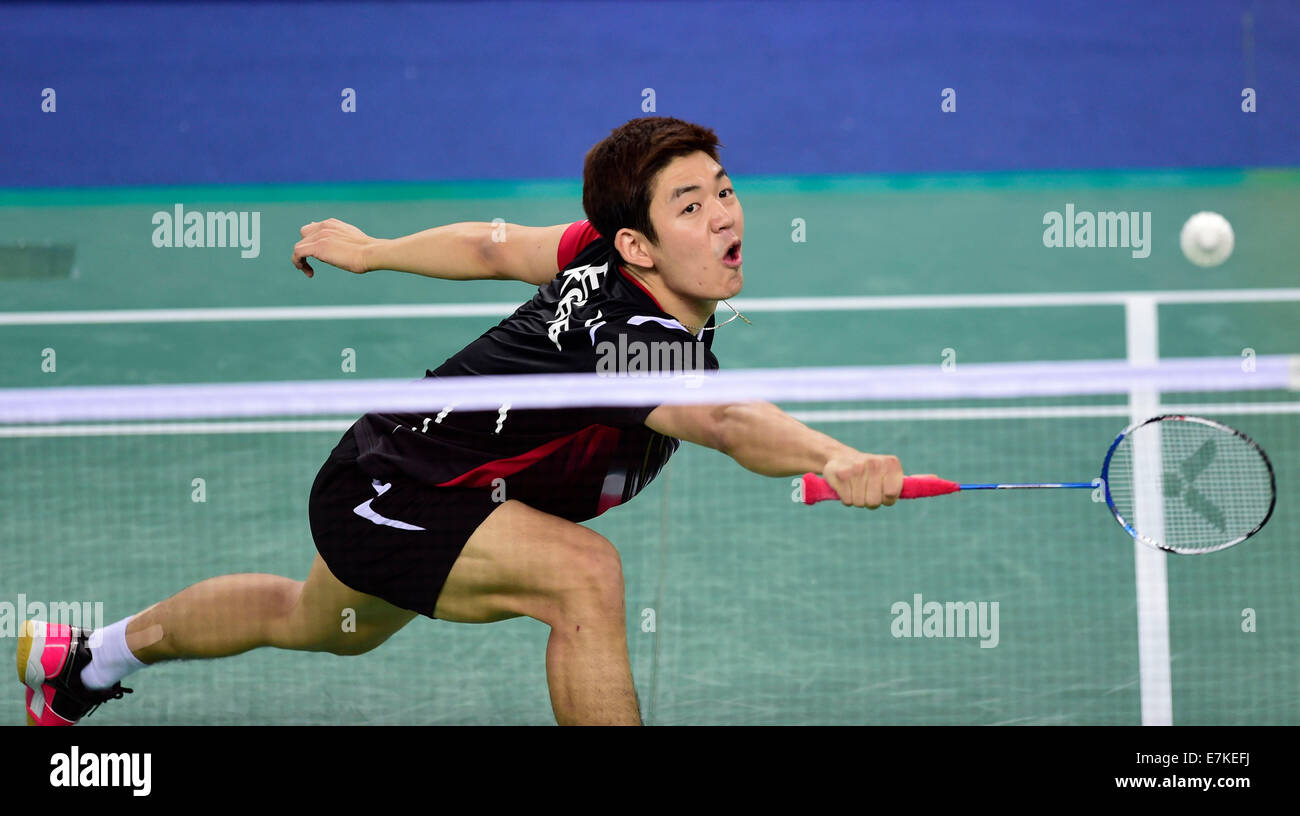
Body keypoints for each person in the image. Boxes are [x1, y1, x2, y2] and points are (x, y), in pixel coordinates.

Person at [18, 117, 904, 726]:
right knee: (583, 578)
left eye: (724, 191)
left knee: (313, 621)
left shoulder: (594, 247)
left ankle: (85, 660)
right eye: (691, 206)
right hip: (399, 488)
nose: (724, 217)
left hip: (407, 472)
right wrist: (836, 457)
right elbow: (728, 422)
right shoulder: (630, 338)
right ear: (636, 245)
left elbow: (492, 245)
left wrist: (375, 252)